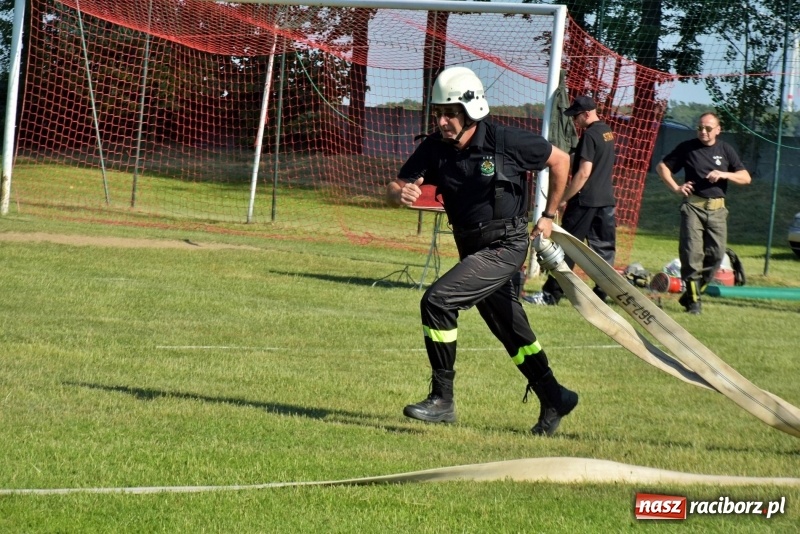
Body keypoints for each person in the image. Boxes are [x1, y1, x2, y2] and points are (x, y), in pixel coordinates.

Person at [386, 66, 578, 436]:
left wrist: (549, 215)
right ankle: (556, 397)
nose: (441, 121)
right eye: (438, 113)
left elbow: (560, 160)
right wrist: (399, 194)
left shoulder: (507, 141)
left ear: (472, 109)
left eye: (450, 113)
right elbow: (395, 186)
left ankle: (442, 400)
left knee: (437, 302)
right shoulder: (434, 147)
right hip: (472, 248)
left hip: (506, 245)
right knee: (511, 331)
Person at [656, 112, 751, 314]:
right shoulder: (687, 148)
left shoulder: (725, 149)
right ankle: (694, 304)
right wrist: (675, 188)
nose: (704, 132)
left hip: (717, 211)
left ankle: (690, 294)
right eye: (700, 128)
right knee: (692, 256)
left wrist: (724, 174)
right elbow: (662, 167)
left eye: (708, 128)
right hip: (693, 208)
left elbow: (745, 178)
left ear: (718, 130)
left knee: (716, 257)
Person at [526, 95, 617, 305]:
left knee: (566, 249)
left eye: (576, 116)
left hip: (584, 201)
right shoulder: (607, 133)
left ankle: (551, 294)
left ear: (587, 113)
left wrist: (563, 198)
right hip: (605, 200)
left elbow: (584, 173)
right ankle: (604, 293)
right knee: (604, 251)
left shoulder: (590, 136)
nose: (574, 121)